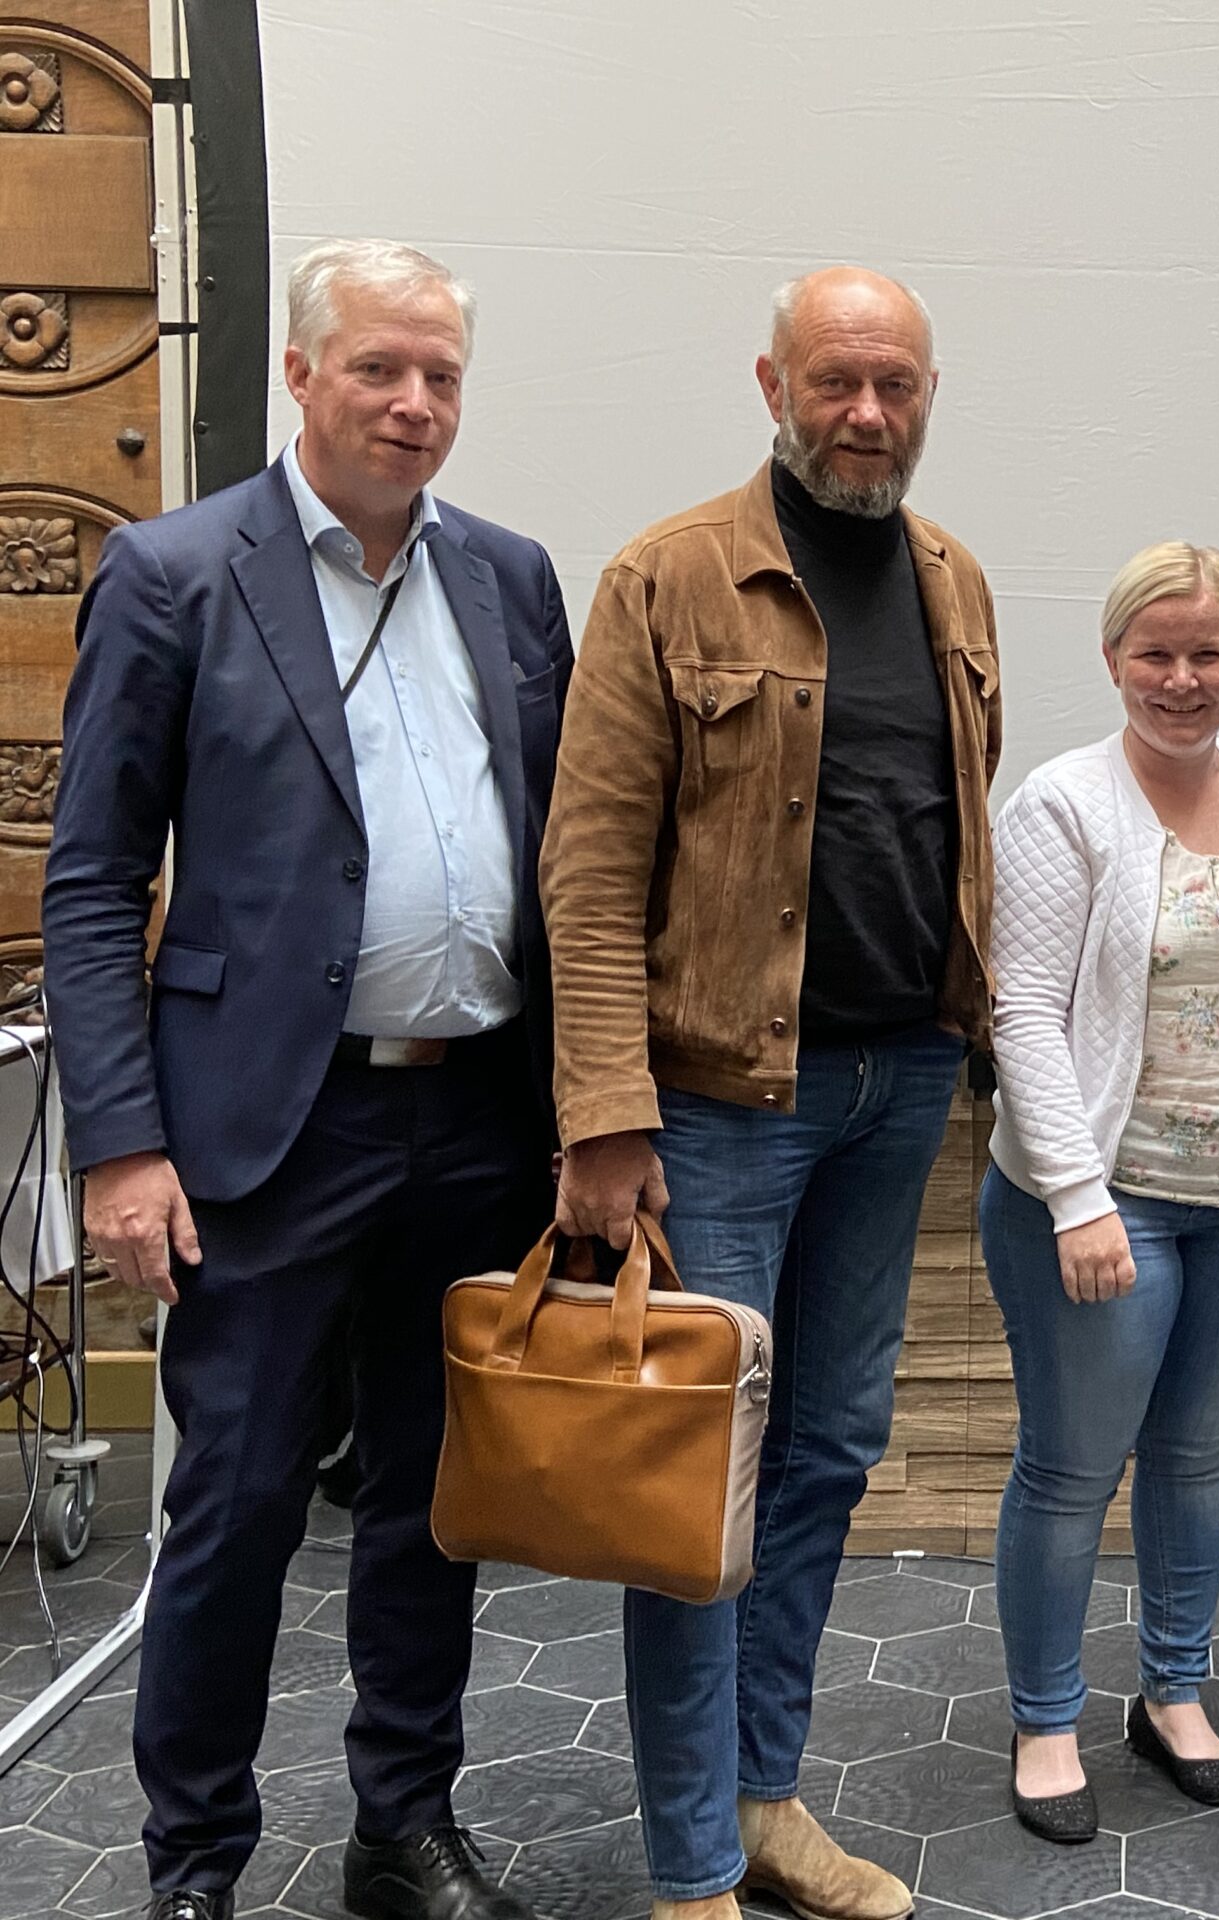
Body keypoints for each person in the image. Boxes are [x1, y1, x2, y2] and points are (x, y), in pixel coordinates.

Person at [46, 239, 572, 1920]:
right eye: (380, 370)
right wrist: (120, 1145)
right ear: (300, 372)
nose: (415, 406)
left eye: (441, 378)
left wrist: (582, 1115)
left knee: (434, 1503)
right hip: (269, 1127)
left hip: (476, 1117)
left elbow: (561, 854)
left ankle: (398, 1828)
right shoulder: (174, 572)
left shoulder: (510, 576)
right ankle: (193, 1860)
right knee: (239, 1501)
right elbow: (90, 875)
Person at [542, 266, 998, 1920]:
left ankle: (763, 1802)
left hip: (899, 1085)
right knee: (695, 1484)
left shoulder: (957, 580)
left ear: (929, 393)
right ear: (772, 383)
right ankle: (687, 1870)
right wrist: (604, 1107)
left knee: (822, 1456)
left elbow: (953, 832)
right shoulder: (666, 578)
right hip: (721, 1101)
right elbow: (588, 876)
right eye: (835, 385)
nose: (866, 416)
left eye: (894, 387)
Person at [981, 542, 1219, 1841]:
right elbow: (1021, 1010)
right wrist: (1078, 1198)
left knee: (1198, 1456)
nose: (1183, 678)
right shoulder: (1062, 805)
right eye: (1156, 652)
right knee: (1073, 1466)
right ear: (1111, 660)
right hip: (1110, 1201)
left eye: (1209, 652)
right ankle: (1044, 1719)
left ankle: (1174, 1694)